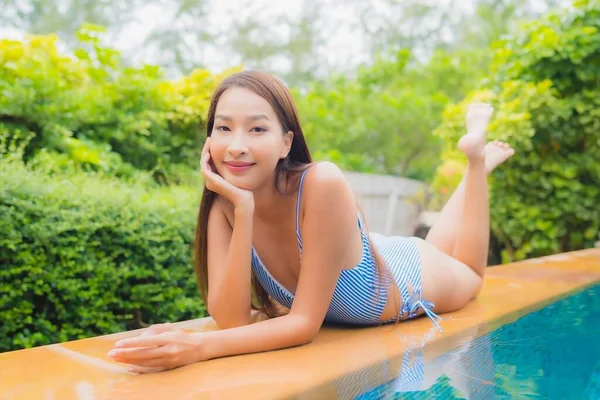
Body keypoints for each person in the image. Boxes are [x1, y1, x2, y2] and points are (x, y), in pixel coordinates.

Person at [107, 71, 515, 374]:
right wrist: (242, 210)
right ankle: (474, 165)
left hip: (407, 276)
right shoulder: (224, 207)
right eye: (223, 128)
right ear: (208, 140)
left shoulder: (322, 182)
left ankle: (476, 161)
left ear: (287, 142)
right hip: (365, 251)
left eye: (257, 129)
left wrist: (197, 348)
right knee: (438, 244)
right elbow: (231, 319)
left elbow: (303, 324)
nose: (237, 145)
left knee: (470, 274)